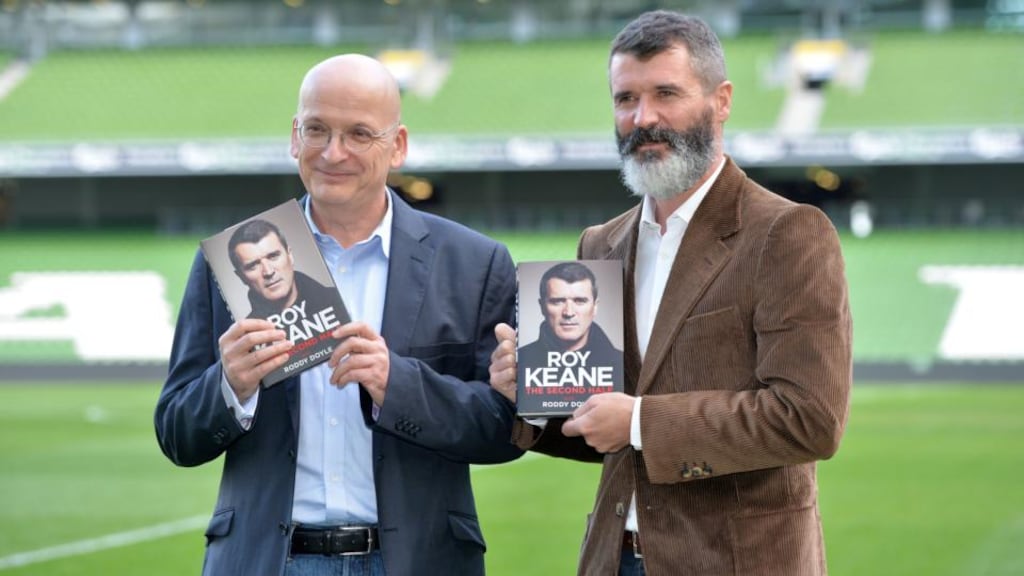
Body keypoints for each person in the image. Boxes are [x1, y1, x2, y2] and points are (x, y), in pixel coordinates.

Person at [489, 11, 852, 576]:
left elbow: (808, 417)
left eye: (666, 94)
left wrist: (638, 421)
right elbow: (598, 428)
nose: (643, 119)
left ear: (721, 100)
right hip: (615, 559)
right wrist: (532, 398)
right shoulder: (600, 245)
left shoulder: (788, 232)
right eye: (625, 98)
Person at [155, 54, 523, 576]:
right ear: (293, 136)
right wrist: (230, 386)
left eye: (359, 134)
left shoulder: (474, 263)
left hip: (417, 561)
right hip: (266, 561)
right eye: (317, 130)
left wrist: (399, 384)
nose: (334, 152)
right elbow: (175, 432)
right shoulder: (230, 262)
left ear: (397, 146)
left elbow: (504, 430)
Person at [518, 261, 622, 368]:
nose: (569, 312)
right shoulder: (520, 363)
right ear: (542, 307)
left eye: (580, 301)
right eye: (557, 301)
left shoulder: (621, 364)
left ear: (595, 307)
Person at [227, 218, 336, 319]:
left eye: (273, 256)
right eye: (253, 266)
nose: (268, 272)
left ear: (290, 255)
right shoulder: (245, 336)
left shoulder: (339, 301)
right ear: (241, 276)